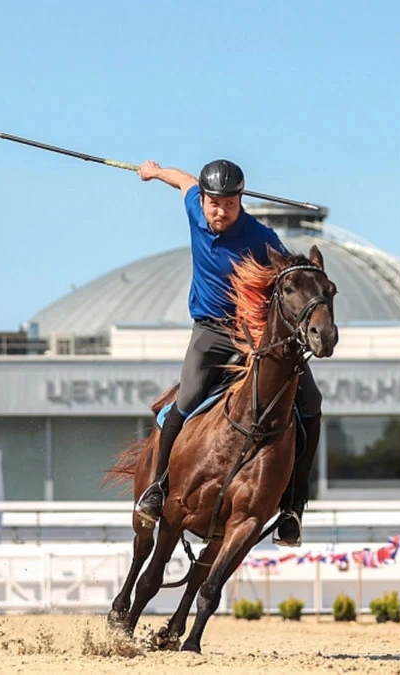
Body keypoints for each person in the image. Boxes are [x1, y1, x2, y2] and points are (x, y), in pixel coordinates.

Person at [132, 158, 322, 547]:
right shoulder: (194, 209)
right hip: (210, 332)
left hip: (254, 335)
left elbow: (292, 275)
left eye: (230, 204)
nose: (221, 212)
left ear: (241, 201)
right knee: (185, 400)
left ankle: (292, 508)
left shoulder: (261, 237)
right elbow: (183, 180)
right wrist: (153, 172)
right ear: (203, 201)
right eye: (214, 204)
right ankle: (157, 488)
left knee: (311, 402)